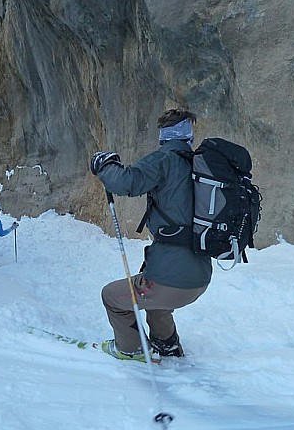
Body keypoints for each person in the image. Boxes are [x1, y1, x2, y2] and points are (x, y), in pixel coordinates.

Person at [90, 108, 212, 362]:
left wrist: (105, 165)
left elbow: (126, 183)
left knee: (112, 296)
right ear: (189, 135)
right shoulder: (202, 166)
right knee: (155, 296)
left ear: (164, 135)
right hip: (200, 277)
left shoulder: (165, 159)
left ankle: (130, 349)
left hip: (170, 281)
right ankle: (167, 344)